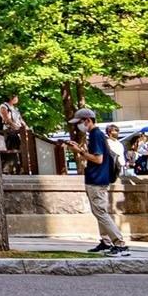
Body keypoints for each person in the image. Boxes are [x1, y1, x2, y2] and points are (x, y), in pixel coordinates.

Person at [61, 108, 130, 257]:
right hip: (97, 179)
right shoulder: (96, 135)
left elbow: (98, 159)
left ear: (87, 120)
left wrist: (80, 152)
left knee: (100, 212)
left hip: (97, 180)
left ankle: (119, 243)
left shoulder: (96, 135)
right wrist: (80, 149)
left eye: (79, 122)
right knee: (99, 212)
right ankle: (106, 241)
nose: (78, 126)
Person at [0, 94, 27, 173]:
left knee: (19, 148)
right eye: (16, 97)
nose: (17, 99)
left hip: (18, 131)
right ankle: (8, 170)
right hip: (9, 131)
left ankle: (18, 168)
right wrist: (15, 127)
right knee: (11, 149)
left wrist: (26, 127)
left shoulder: (15, 108)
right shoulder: (4, 106)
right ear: (11, 98)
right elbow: (6, 119)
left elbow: (20, 119)